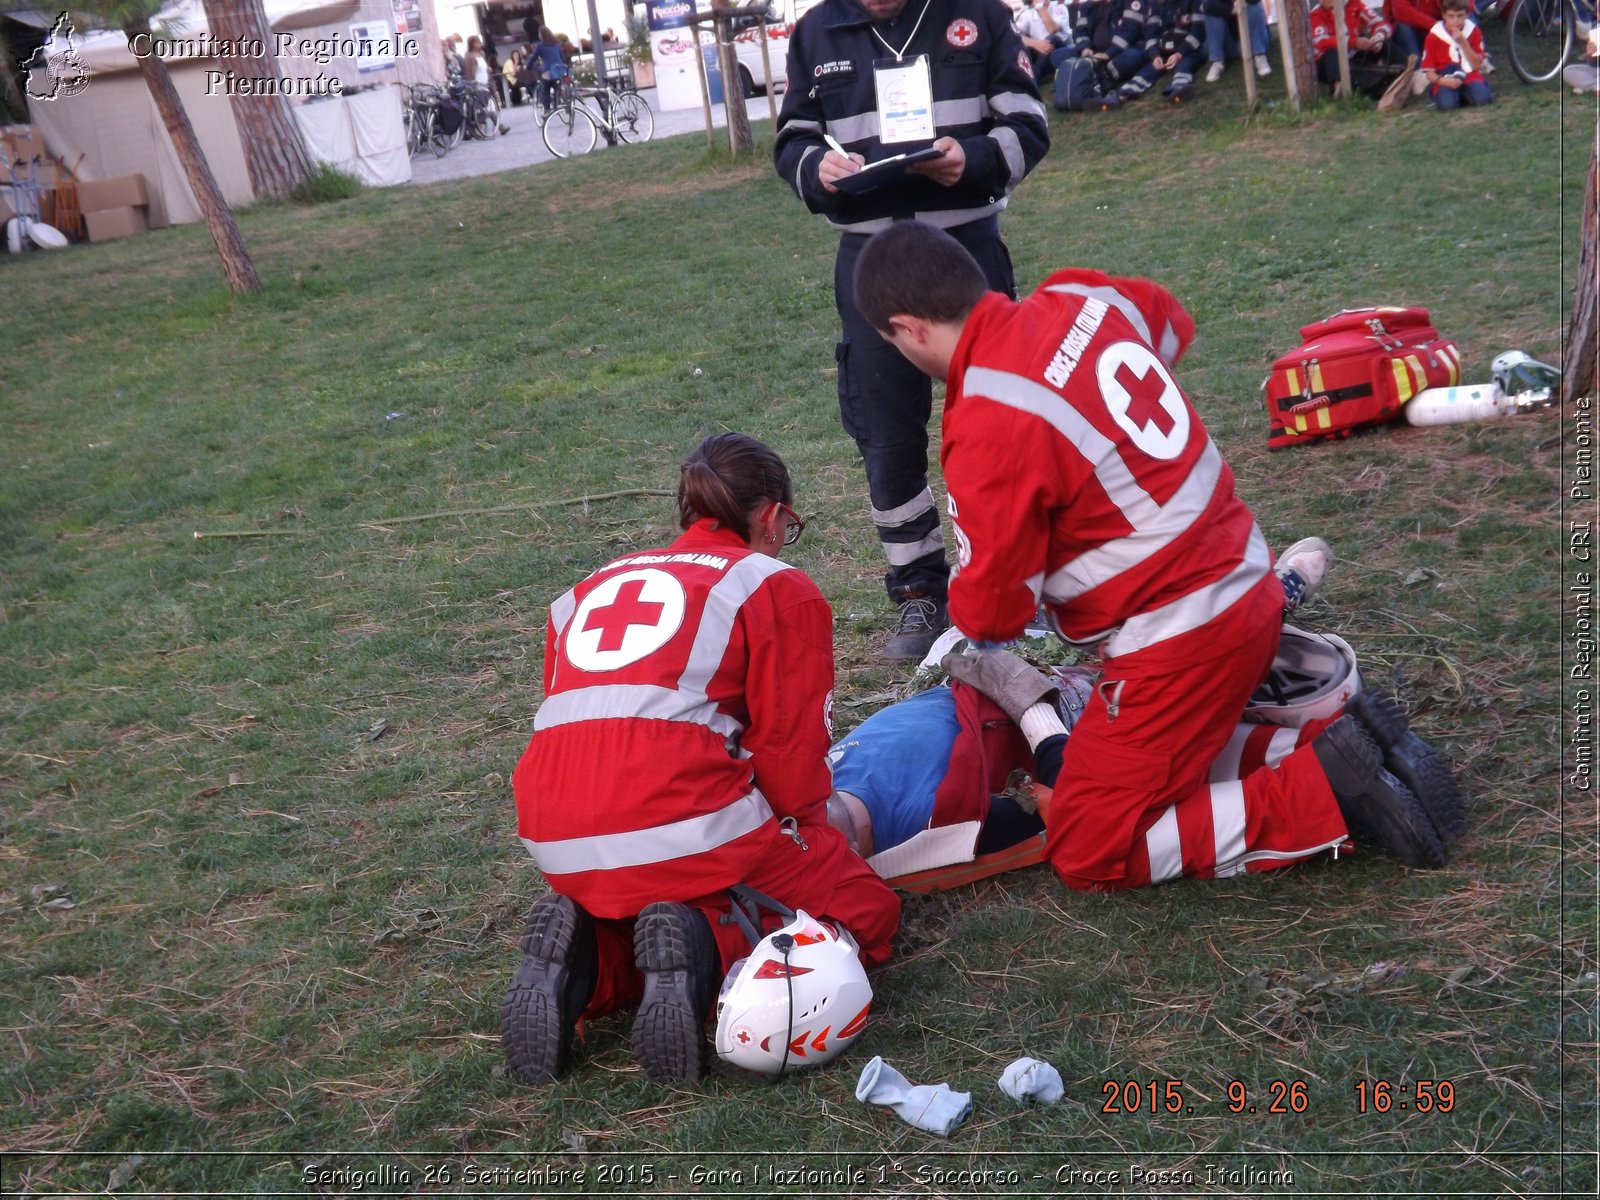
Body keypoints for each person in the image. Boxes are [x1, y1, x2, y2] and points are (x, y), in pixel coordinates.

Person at [850, 221, 1462, 893]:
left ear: (908, 329)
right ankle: (1327, 749)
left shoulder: (987, 419)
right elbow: (1172, 324)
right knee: (1139, 763)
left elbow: (993, 610)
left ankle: (1323, 793)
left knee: (1089, 843)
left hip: (1179, 643)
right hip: (1247, 579)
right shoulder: (1083, 297)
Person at [503, 434, 900, 1084]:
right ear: (772, 517)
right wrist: (807, 837)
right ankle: (712, 953)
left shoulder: (586, 590)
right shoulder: (776, 587)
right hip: (687, 825)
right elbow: (788, 757)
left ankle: (597, 961)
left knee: (650, 886)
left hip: (553, 832)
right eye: (789, 527)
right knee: (863, 904)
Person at [773, 0, 1050, 663]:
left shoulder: (978, 15)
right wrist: (816, 169)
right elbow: (792, 138)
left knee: (1002, 422)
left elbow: (1029, 124)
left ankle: (1018, 585)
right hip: (869, 265)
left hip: (965, 254)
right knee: (887, 436)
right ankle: (921, 593)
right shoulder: (815, 31)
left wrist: (976, 157)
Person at [1311, 0, 1407, 97]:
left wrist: (1378, 37)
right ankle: (1339, 89)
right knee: (1332, 53)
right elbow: (1321, 42)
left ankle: (1407, 74)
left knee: (1385, 44)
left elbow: (1380, 23)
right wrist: (1354, 42)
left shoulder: (1354, 4)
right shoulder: (1316, 13)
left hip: (1355, 57)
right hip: (1329, 63)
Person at [1117, 0, 1207, 101]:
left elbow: (1199, 32)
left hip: (1190, 50)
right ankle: (1124, 94)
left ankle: (1180, 87)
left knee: (1185, 64)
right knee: (1149, 69)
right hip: (1164, 52)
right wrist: (1155, 55)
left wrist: (1180, 53)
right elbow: (1151, 34)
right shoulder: (1155, 5)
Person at [1420, 0, 1491, 109]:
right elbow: (1429, 72)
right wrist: (1442, 81)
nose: (1455, 21)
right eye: (1451, 16)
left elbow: (1477, 66)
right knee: (1448, 105)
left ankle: (1466, 93)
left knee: (1483, 99)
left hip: (1469, 73)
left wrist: (1463, 42)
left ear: (1467, 14)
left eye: (1460, 16)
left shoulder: (1473, 31)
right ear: (1444, 15)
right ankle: (1452, 96)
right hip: (1445, 75)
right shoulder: (1434, 35)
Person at [1200, 0, 1271, 82]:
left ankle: (1260, 56)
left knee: (1254, 6)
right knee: (1211, 14)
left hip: (1253, 42)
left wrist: (1240, 5)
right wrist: (1232, 10)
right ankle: (1217, 61)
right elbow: (1207, 5)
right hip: (1231, 44)